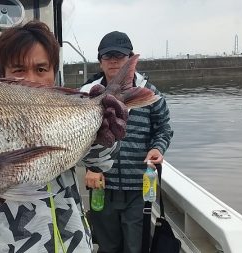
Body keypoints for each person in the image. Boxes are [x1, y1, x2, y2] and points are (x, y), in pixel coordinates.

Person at [0, 21, 128, 253]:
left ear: (53, 73)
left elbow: (100, 163)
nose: (30, 80)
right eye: (19, 70)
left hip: (68, 243)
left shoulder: (69, 110)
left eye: (41, 69)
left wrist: (105, 135)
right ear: (2, 75)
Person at [80, 31, 174, 253]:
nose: (113, 61)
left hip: (139, 187)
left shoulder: (149, 93)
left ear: (130, 60)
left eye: (120, 56)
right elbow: (78, 137)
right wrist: (91, 167)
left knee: (135, 246)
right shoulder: (87, 94)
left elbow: (163, 128)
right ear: (100, 62)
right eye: (108, 56)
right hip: (102, 186)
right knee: (107, 246)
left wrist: (156, 148)